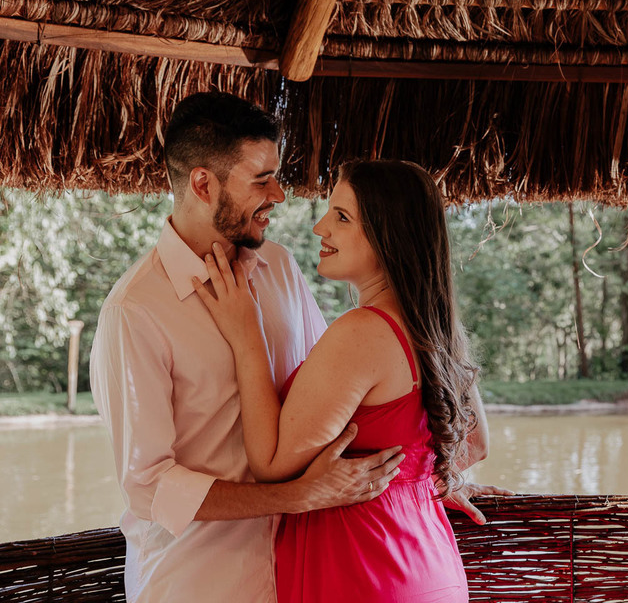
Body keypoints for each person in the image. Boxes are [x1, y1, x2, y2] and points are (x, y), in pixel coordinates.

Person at [90, 92, 406, 603]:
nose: (279, 194)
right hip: (197, 584)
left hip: (303, 574)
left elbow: (336, 401)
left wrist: (431, 476)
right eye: (262, 180)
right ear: (203, 184)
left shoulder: (279, 266)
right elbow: (148, 485)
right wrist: (296, 496)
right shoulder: (133, 312)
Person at [193, 159, 490, 603]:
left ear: (390, 235)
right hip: (426, 559)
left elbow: (270, 463)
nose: (320, 227)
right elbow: (474, 445)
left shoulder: (363, 331)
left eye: (342, 217)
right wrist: (413, 484)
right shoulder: (437, 329)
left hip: (364, 569)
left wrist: (247, 338)